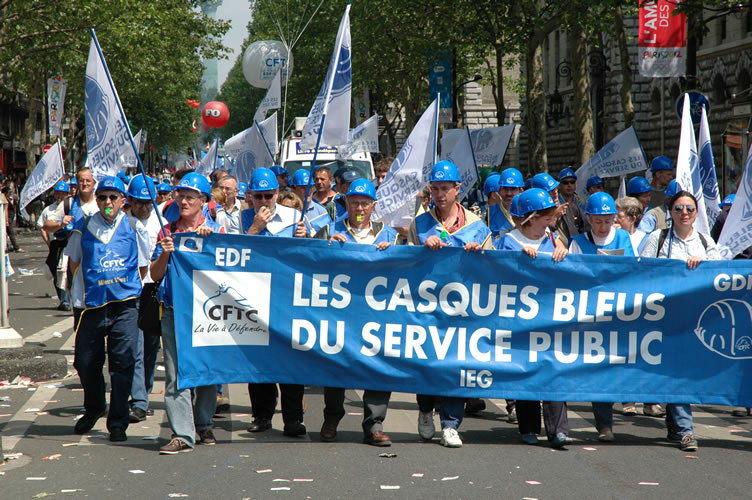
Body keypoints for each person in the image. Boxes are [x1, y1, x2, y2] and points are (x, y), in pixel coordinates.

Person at [407, 160, 493, 448]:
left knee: (457, 365)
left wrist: (479, 253)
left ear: (458, 190)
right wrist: (422, 248)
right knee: (427, 361)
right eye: (436, 188)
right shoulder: (420, 224)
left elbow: (495, 270)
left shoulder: (478, 227)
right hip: (428, 305)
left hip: (463, 309)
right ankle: (424, 407)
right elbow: (404, 265)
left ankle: (451, 424)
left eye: (446, 188)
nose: (440, 194)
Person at [64, 176, 150, 442]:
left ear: (123, 200)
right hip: (92, 306)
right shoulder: (83, 226)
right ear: (97, 200)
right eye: (103, 197)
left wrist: (124, 287)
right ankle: (95, 406)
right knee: (86, 362)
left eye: (114, 197)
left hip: (124, 306)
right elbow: (74, 262)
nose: (108, 202)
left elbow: (144, 266)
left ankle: (118, 421)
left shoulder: (134, 226)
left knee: (123, 362)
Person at [314, 179, 399, 446]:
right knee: (335, 367)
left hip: (377, 315)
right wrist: (325, 245)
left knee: (377, 367)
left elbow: (404, 272)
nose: (359, 208)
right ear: (346, 204)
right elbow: (309, 261)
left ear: (373, 206)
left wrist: (393, 254)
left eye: (364, 203)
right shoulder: (330, 229)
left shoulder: (390, 235)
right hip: (341, 314)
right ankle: (331, 418)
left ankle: (374, 425)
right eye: (354, 203)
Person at [640, 190, 721, 452]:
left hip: (696, 319)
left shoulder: (706, 243)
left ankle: (676, 426)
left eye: (689, 208)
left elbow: (721, 279)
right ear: (670, 212)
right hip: (663, 318)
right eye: (678, 208)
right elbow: (641, 271)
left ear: (696, 213)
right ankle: (685, 429)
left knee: (679, 371)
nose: (684, 213)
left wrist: (704, 266)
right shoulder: (658, 238)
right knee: (677, 371)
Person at [150, 172, 225, 454]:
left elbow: (228, 275)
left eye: (190, 196)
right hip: (173, 310)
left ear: (203, 201)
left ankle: (203, 422)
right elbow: (154, 275)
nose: (183, 200)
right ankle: (182, 432)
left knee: (206, 370)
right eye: (180, 195)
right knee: (175, 373)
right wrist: (166, 253)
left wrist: (210, 244)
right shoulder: (166, 231)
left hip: (208, 314)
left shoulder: (217, 232)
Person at [495, 189, 572, 449]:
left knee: (553, 369)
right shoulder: (507, 243)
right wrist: (518, 261)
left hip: (549, 318)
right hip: (519, 319)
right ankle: (528, 427)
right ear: (529, 218)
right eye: (545, 218)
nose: (550, 223)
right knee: (524, 369)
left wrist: (564, 256)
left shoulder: (552, 238)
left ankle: (558, 430)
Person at [241, 168, 308, 437]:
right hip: (254, 298)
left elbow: (315, 257)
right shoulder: (241, 218)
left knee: (291, 359)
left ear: (278, 194)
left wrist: (306, 239)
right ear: (251, 197)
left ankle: (293, 418)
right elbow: (234, 252)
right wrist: (255, 228)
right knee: (259, 361)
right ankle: (262, 414)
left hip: (288, 297)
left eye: (270, 195)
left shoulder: (295, 217)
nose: (265, 201)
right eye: (259, 196)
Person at [569, 192, 634, 442]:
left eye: (607, 221)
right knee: (598, 368)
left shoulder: (623, 238)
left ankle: (622, 409)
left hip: (618, 313)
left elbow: (634, 270)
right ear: (589, 218)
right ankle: (603, 424)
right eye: (598, 221)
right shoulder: (578, 242)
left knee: (614, 367)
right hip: (589, 314)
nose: (603, 226)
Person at [125, 174, 164, 423]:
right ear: (129, 201)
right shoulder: (122, 222)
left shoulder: (163, 221)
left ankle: (145, 391)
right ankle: (138, 401)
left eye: (148, 202)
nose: (143, 207)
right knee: (135, 348)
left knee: (151, 347)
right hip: (130, 291)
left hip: (154, 289)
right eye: (138, 202)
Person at [39, 181, 72, 310]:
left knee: (63, 270)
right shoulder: (49, 210)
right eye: (58, 193)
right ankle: (62, 298)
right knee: (55, 271)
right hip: (55, 244)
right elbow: (43, 227)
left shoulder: (70, 206)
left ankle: (67, 301)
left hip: (68, 242)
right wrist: (48, 243)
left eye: (62, 194)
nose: (60, 196)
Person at [289, 169, 332, 236]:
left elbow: (328, 237)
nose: (307, 191)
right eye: (303, 188)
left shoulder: (322, 212)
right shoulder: (287, 210)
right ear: (293, 189)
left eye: (310, 187)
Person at [488, 168, 524, 242]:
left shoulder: (529, 214)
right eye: (505, 189)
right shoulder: (488, 214)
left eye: (513, 189)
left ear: (521, 191)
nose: (509, 193)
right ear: (499, 190)